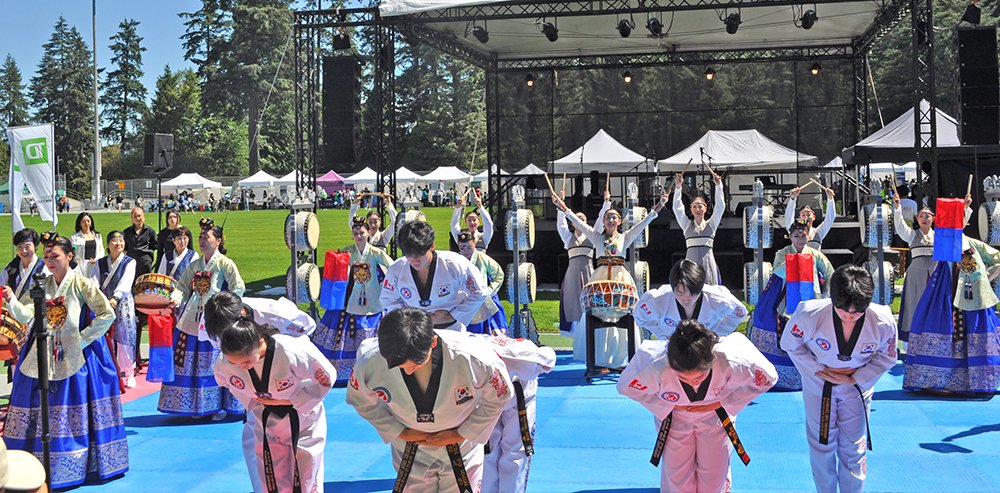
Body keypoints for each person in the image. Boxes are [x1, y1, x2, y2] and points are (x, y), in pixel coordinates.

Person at [1, 232, 128, 489]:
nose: (49, 261)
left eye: (55, 256)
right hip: (43, 351)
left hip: (78, 355)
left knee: (73, 403)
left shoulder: (82, 283)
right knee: (34, 398)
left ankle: (73, 463)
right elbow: (26, 315)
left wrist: (81, 339)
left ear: (69, 256)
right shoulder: (41, 286)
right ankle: (31, 465)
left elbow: (107, 314)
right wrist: (12, 300)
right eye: (46, 256)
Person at [347, 307, 513, 493]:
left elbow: (500, 396)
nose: (408, 370)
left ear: (433, 342)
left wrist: (464, 432)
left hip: (460, 444)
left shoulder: (473, 357)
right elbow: (360, 400)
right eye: (401, 366)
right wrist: (397, 430)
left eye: (416, 363)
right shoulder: (371, 360)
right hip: (409, 444)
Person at [619, 320, 777, 493]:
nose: (692, 382)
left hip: (716, 415)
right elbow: (625, 387)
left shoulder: (733, 358)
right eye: (683, 378)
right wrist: (666, 405)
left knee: (714, 477)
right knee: (677, 477)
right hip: (675, 417)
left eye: (699, 376)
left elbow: (769, 378)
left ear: (711, 361)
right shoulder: (654, 362)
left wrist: (726, 402)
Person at [780, 265, 897, 493]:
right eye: (844, 311)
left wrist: (856, 378)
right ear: (832, 299)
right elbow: (790, 345)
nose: (850, 315)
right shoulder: (809, 313)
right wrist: (816, 368)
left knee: (853, 446)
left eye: (857, 312)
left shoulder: (882, 320)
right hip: (819, 384)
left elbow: (889, 357)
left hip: (856, 387)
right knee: (821, 444)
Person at [213, 317, 335, 493]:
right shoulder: (224, 362)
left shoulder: (292, 351)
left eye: (246, 362)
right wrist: (253, 401)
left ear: (260, 342)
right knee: (271, 474)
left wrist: (293, 400)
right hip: (265, 415)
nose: (242, 367)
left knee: (305, 472)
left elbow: (327, 378)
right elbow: (225, 382)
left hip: (302, 416)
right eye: (235, 363)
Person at [551, 189, 666, 368]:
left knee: (623, 318)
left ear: (619, 221)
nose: (611, 220)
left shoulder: (625, 237)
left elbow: (643, 224)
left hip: (621, 281)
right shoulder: (596, 237)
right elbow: (576, 222)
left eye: (614, 218)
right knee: (597, 318)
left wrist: (658, 207)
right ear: (603, 222)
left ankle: (621, 357)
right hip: (600, 281)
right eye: (608, 218)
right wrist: (563, 207)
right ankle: (600, 358)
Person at [158, 220, 246, 420]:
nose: (202, 241)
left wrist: (227, 307)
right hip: (192, 318)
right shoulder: (196, 264)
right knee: (191, 362)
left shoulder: (225, 263)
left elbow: (238, 287)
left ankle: (218, 406)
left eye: (206, 238)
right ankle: (195, 406)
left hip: (216, 319)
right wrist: (175, 299)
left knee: (214, 363)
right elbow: (182, 287)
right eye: (200, 237)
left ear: (218, 241)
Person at [904, 226, 1000, 394]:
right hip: (945, 295)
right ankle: (942, 380)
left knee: (974, 332)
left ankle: (975, 380)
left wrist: (984, 278)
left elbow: (997, 258)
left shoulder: (974, 244)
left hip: (972, 298)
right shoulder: (945, 245)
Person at [313, 217, 393, 381]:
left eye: (362, 233)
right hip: (352, 296)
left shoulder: (376, 252)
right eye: (355, 233)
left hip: (372, 296)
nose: (359, 236)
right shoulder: (347, 251)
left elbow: (392, 266)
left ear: (369, 233)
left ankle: (375, 369)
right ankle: (346, 370)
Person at [380, 221, 490, 332]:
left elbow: (479, 292)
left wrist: (454, 315)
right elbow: (387, 299)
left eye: (420, 253)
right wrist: (409, 317)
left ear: (432, 246)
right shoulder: (397, 269)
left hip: (451, 329)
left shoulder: (454, 264)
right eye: (408, 254)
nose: (414, 260)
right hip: (414, 331)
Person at [479, 334, 556, 493]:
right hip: (488, 396)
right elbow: (548, 363)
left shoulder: (525, 352)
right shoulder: (475, 345)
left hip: (518, 397)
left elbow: (548, 361)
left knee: (512, 454)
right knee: (488, 453)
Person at [634, 259, 748, 340]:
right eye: (680, 292)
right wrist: (662, 334)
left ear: (701, 287)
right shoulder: (657, 300)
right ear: (672, 287)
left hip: (706, 346)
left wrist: (717, 333)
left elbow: (739, 313)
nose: (686, 298)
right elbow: (640, 316)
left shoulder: (717, 298)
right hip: (672, 346)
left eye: (693, 292)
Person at [556, 190, 608, 336]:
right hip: (572, 275)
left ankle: (591, 331)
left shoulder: (592, 236)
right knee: (572, 302)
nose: (580, 220)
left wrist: (606, 202)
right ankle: (575, 334)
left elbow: (600, 221)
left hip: (589, 273)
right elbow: (561, 225)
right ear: (572, 222)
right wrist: (561, 204)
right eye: (577, 218)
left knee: (589, 301)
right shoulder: (568, 238)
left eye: (583, 218)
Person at [91, 231, 139, 389]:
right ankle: (111, 371)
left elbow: (126, 282)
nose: (118, 244)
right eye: (114, 241)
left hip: (123, 303)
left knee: (124, 337)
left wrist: (116, 298)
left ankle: (129, 372)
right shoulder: (100, 263)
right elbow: (94, 282)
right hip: (104, 305)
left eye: (121, 241)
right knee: (105, 337)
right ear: (108, 245)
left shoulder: (129, 262)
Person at [892, 197, 935, 351]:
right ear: (917, 218)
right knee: (914, 306)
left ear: (933, 218)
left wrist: (966, 209)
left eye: (927, 216)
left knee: (935, 306)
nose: (924, 219)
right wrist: (897, 208)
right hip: (916, 275)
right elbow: (900, 225)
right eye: (921, 216)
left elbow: (958, 227)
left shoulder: (939, 236)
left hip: (935, 275)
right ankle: (912, 342)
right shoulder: (912, 235)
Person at [673, 172, 725, 285]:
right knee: (691, 289)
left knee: (710, 290)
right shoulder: (687, 225)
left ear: (705, 208)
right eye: (694, 206)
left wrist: (718, 186)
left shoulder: (711, 225)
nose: (697, 209)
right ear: (691, 209)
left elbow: (720, 207)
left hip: (708, 263)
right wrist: (678, 188)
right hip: (691, 264)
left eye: (700, 206)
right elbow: (677, 208)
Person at [457, 231, 507, 336]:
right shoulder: (456, 260)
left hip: (482, 301)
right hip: (463, 303)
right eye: (462, 248)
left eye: (469, 247)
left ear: (474, 244)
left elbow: (499, 275)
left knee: (489, 334)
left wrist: (489, 291)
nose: (465, 251)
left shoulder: (482, 258)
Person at [0, 229, 49, 305]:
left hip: (36, 311)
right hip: (13, 313)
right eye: (19, 247)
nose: (24, 251)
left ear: (35, 246)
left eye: (27, 246)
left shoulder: (44, 267)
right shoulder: (10, 268)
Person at [784, 185, 837, 250]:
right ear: (799, 218)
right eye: (803, 215)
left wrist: (830, 198)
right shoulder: (793, 230)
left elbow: (830, 218)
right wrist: (793, 198)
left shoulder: (818, 233)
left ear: (814, 217)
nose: (806, 217)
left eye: (808, 215)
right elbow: (788, 217)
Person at [70, 212, 104, 279]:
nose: (86, 223)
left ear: (91, 222)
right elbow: (73, 251)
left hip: (94, 264)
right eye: (83, 221)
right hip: (81, 266)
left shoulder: (97, 236)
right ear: (80, 223)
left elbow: (101, 250)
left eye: (88, 221)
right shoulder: (74, 237)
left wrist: (96, 260)